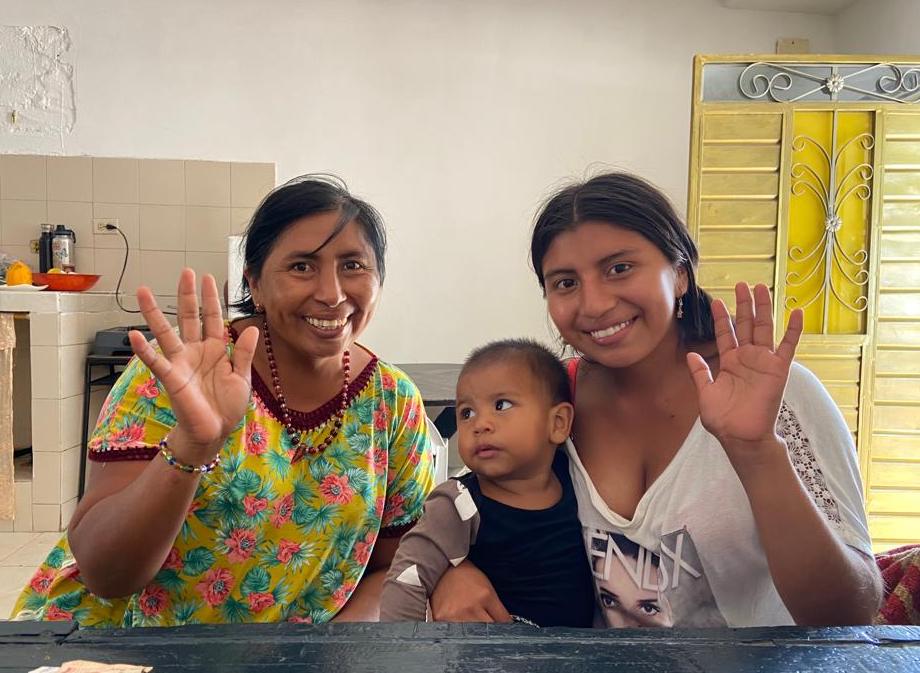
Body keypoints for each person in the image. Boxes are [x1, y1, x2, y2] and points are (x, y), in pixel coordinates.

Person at [429, 172, 882, 627]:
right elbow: (469, 506)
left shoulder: (777, 395)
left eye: (619, 268)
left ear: (680, 273)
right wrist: (452, 571)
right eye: (565, 282)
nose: (594, 304)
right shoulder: (554, 403)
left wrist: (757, 452)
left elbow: (849, 611)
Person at [11, 176, 435, 626]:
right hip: (112, 643)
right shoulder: (183, 377)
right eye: (301, 267)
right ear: (253, 279)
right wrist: (193, 444)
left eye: (353, 265)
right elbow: (105, 574)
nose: (332, 294)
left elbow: (395, 563)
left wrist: (328, 655)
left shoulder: (392, 401)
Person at [380, 339, 594, 627]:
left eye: (501, 405)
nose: (480, 424)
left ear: (557, 423)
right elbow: (407, 578)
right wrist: (402, 655)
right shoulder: (457, 503)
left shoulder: (577, 479)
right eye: (466, 413)